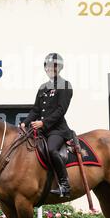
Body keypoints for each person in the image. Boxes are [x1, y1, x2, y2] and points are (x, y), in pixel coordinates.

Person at [20, 53, 73, 197]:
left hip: (57, 130)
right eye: (48, 66)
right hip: (42, 130)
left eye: (54, 66)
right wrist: (24, 123)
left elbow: (61, 110)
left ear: (59, 67)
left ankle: (64, 185)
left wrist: (43, 123)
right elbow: (36, 110)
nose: (50, 68)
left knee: (51, 150)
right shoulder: (43, 87)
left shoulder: (65, 85)